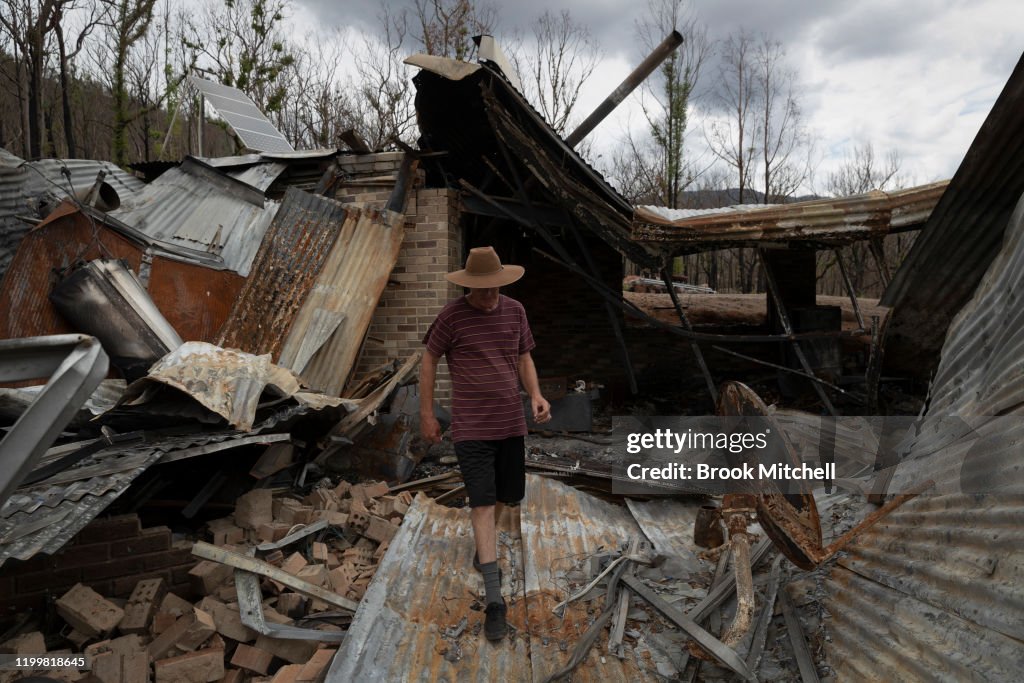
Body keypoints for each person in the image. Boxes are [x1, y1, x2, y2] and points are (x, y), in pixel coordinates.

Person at [419, 246, 551, 642]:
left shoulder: (515, 311)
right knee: (480, 502)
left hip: (510, 424)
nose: (490, 296)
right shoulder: (451, 317)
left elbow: (524, 357)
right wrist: (427, 413)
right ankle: (495, 601)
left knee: (503, 498)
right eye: (483, 290)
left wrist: (536, 395)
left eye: (495, 288)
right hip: (471, 428)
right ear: (469, 286)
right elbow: (428, 359)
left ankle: (484, 550)